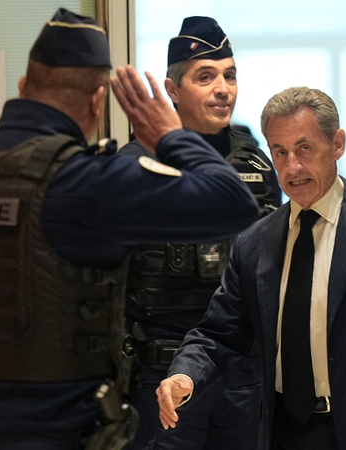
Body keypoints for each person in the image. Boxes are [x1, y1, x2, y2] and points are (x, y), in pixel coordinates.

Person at [0, 8, 258, 450]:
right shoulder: (92, 188)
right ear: (98, 103)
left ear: (22, 89)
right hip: (59, 433)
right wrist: (170, 137)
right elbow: (232, 203)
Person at [157, 87, 346, 449]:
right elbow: (219, 332)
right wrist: (185, 374)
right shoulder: (254, 242)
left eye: (304, 148)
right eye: (280, 152)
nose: (292, 166)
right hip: (281, 432)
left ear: (337, 144)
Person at [119, 16, 281, 450]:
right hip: (163, 373)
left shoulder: (256, 162)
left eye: (230, 75)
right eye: (205, 77)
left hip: (242, 375)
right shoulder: (136, 164)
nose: (223, 88)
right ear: (173, 91)